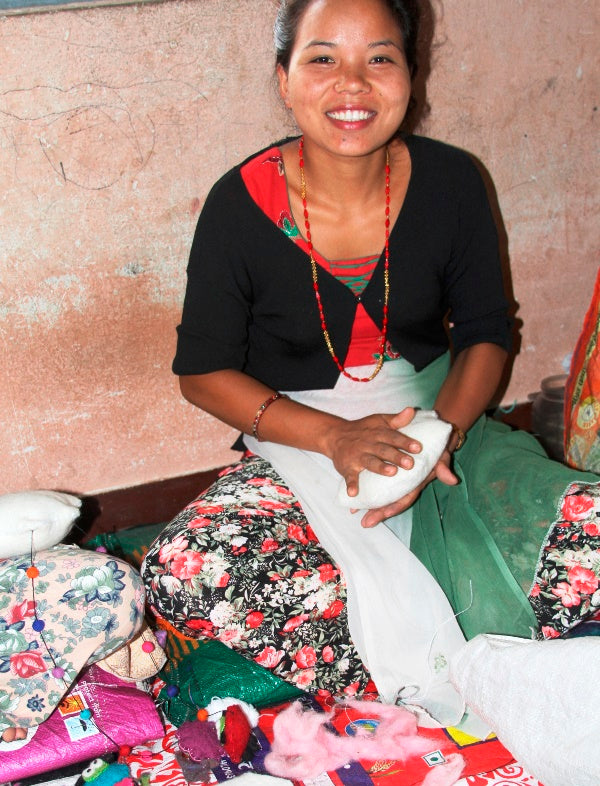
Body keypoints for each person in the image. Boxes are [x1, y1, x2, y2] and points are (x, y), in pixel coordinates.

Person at [142, 0, 600, 725]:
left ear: (412, 77)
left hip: (443, 419)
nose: (352, 84)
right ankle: (457, 652)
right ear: (285, 79)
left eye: (379, 58)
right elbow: (201, 371)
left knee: (589, 528)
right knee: (183, 567)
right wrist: (336, 438)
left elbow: (487, 334)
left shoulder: (451, 181)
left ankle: (393, 651)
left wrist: (432, 438)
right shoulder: (239, 204)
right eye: (323, 58)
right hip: (300, 436)